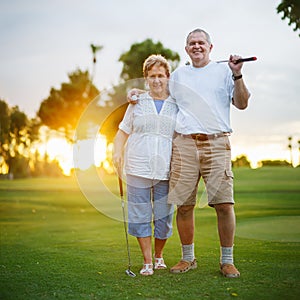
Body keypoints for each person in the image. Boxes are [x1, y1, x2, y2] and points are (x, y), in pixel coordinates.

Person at [128, 28, 251, 278]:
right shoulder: (179, 76)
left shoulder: (225, 71)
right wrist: (137, 95)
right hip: (184, 144)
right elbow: (158, 90)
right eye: (192, 43)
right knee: (184, 206)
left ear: (210, 47)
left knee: (224, 204)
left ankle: (227, 261)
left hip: (216, 143)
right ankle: (188, 258)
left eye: (201, 43)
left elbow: (242, 103)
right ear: (186, 49)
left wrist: (237, 74)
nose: (196, 46)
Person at [113, 54, 178, 276]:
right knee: (140, 215)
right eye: (152, 76)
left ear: (168, 77)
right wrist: (116, 152)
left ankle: (159, 256)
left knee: (163, 217)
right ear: (146, 79)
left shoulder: (176, 104)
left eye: (161, 75)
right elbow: (122, 131)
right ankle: (147, 261)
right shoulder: (137, 103)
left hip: (166, 169)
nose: (157, 80)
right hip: (137, 168)